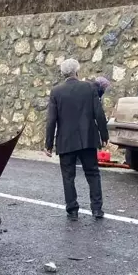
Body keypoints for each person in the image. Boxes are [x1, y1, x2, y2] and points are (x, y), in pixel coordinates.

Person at [45, 58, 109, 220]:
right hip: (88, 138)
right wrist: (104, 136)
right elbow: (99, 114)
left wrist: (48, 145)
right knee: (93, 173)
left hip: (66, 140)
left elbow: (51, 120)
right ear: (77, 71)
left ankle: (72, 210)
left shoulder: (56, 92)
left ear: (63, 73)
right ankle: (97, 209)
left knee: (68, 176)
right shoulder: (89, 87)